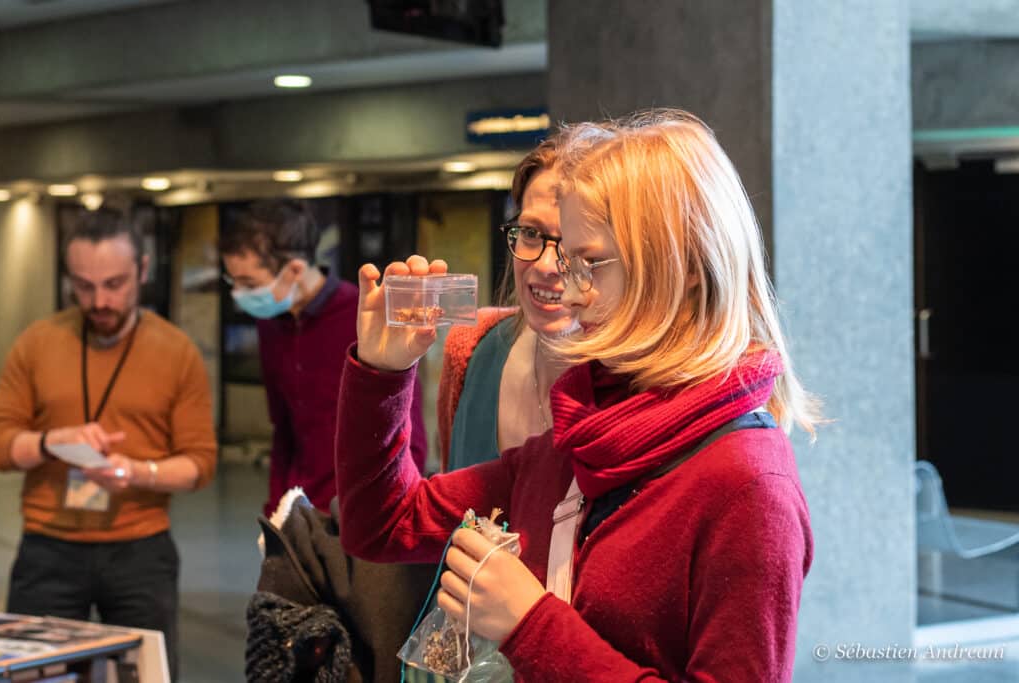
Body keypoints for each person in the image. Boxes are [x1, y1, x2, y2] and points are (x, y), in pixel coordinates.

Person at [334, 110, 820, 681]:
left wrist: (531, 625)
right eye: (564, 257)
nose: (568, 287)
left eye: (590, 263)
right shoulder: (583, 435)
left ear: (685, 265)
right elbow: (381, 522)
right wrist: (383, 370)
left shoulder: (747, 484)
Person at [0, 207, 217, 680]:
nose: (99, 300)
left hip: (140, 549)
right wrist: (52, 441)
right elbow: (0, 443)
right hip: (48, 548)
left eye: (114, 284)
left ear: (142, 269)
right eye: (83, 285)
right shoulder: (37, 344)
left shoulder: (176, 352)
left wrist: (138, 472)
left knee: (145, 673)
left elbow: (200, 464)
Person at [219, 199, 426, 514]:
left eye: (249, 284)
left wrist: (388, 512)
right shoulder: (270, 325)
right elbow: (284, 429)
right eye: (233, 281)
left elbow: (409, 431)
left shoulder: (365, 318)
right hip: (299, 511)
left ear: (295, 269)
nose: (238, 294)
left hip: (363, 511)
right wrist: (277, 509)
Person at [438, 125, 613, 472]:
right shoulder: (474, 348)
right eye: (531, 233)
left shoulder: (637, 379)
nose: (547, 265)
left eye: (572, 243)